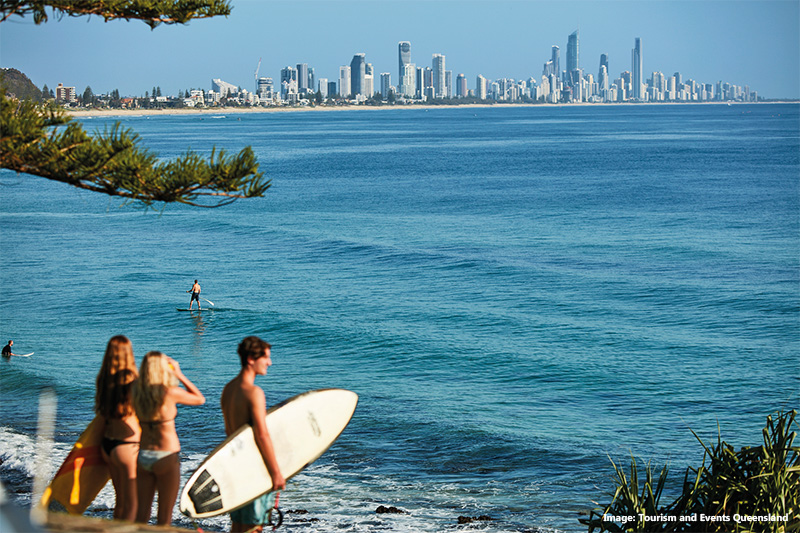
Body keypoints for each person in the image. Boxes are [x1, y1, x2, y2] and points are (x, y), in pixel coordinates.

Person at [221, 336, 286, 532]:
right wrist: (276, 472)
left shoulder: (229, 389)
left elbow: (229, 433)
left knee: (238, 525)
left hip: (234, 466)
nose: (269, 362)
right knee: (254, 527)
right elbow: (262, 435)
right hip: (253, 468)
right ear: (251, 359)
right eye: (265, 357)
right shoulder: (254, 392)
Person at [133, 352, 205, 526]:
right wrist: (179, 374)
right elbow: (200, 399)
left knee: (141, 515)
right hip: (166, 456)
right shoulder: (170, 393)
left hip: (143, 455)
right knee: (164, 518)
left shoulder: (136, 392)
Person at [95, 335, 140, 522]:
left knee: (120, 502)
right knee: (132, 504)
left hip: (108, 444)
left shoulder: (104, 379)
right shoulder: (130, 379)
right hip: (127, 446)